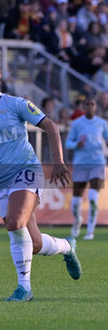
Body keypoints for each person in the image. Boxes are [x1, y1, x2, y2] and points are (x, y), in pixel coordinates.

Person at [0, 45, 82, 302]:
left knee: (15, 222)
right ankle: (67, 246)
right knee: (34, 244)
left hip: (26, 171)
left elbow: (52, 127)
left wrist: (58, 161)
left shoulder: (16, 104)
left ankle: (24, 289)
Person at [66, 97, 108, 240]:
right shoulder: (77, 124)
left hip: (97, 163)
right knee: (76, 202)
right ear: (84, 107)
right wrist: (76, 144)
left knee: (92, 198)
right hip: (81, 164)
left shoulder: (102, 124)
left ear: (96, 107)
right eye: (87, 104)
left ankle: (90, 230)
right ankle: (78, 220)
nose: (90, 106)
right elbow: (68, 143)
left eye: (92, 104)